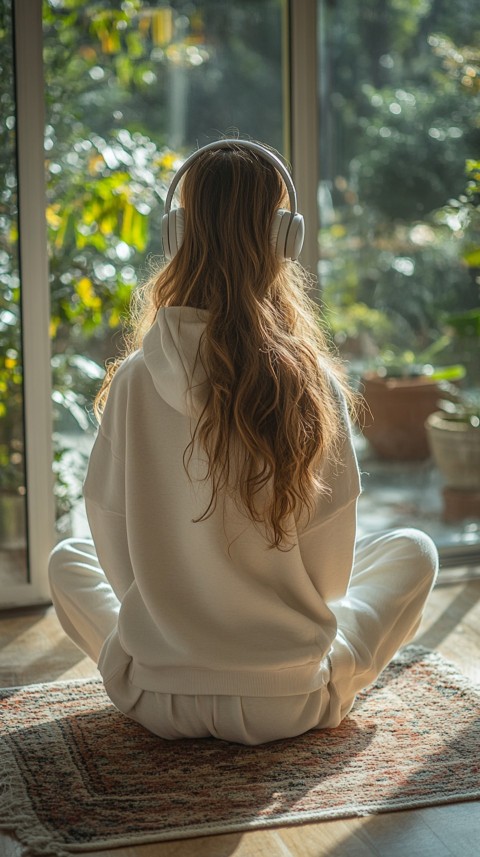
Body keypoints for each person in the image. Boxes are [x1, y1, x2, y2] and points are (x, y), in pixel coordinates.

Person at [49, 139, 438, 746]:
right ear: (286, 242)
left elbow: (115, 555)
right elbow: (332, 582)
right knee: (414, 550)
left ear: (178, 235)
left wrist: (174, 598)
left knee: (65, 560)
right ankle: (332, 676)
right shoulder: (309, 383)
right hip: (286, 700)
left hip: (157, 696)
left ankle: (146, 660)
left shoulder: (131, 381)